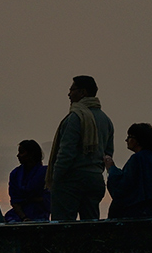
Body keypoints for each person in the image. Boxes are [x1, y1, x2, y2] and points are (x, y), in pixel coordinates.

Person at [46, 75, 114, 221]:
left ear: (82, 92)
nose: (69, 94)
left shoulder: (75, 118)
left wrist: (55, 179)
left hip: (71, 182)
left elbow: (66, 153)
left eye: (72, 90)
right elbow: (108, 153)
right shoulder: (106, 120)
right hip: (95, 180)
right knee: (90, 226)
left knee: (62, 226)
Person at [105, 123, 152, 219]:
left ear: (137, 140)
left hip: (138, 214)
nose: (126, 140)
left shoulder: (137, 159)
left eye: (129, 137)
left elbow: (123, 187)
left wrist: (111, 169)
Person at [4, 139, 50, 222]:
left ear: (31, 154)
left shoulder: (45, 173)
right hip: (17, 216)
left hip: (40, 216)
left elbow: (49, 198)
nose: (18, 156)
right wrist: (24, 218)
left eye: (21, 152)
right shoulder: (15, 174)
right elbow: (15, 201)